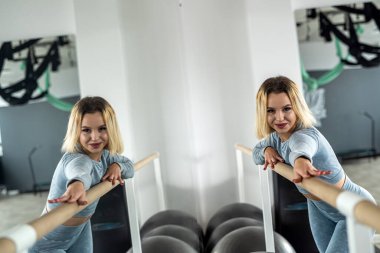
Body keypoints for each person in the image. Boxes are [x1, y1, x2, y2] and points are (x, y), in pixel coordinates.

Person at [252, 76, 375, 253]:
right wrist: (266, 151)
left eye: (287, 109)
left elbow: (301, 148)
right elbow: (256, 153)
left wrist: (302, 161)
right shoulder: (275, 138)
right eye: (271, 110)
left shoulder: (305, 135)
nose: (279, 117)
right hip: (319, 206)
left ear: (297, 108)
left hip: (351, 208)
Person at [29, 96, 134, 253]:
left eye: (102, 128)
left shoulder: (106, 156)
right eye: (86, 130)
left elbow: (130, 166)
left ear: (110, 129)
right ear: (76, 132)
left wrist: (117, 166)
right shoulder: (75, 158)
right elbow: (80, 171)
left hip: (80, 230)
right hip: (48, 242)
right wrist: (77, 184)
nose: (95, 137)